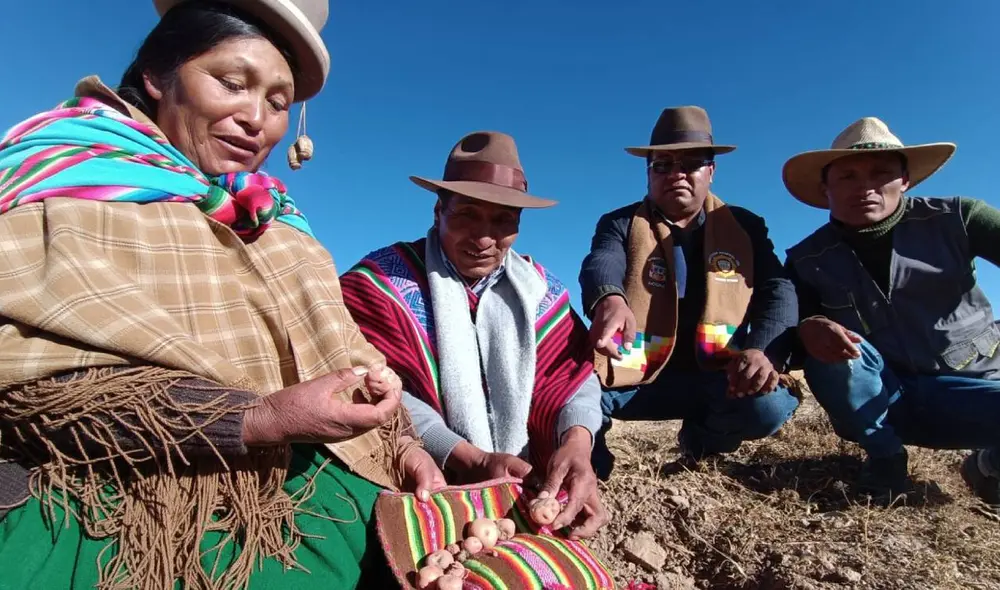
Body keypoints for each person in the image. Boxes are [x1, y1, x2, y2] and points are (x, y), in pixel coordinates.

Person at [0, 2, 445, 588]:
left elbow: (348, 358)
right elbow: (29, 378)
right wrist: (257, 418)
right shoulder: (63, 182)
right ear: (159, 75)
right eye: (232, 84)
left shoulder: (276, 221)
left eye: (279, 103)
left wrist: (406, 447)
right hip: (123, 512)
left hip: (311, 504)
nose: (256, 118)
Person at [339, 131, 610, 540]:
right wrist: (467, 456)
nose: (484, 239)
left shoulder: (540, 291)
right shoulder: (382, 284)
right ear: (438, 212)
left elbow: (573, 376)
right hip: (417, 479)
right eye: (467, 214)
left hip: (524, 482)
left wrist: (577, 440)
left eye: (503, 221)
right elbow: (368, 381)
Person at [785, 116, 1000, 503]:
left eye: (881, 173)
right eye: (847, 176)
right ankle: (885, 458)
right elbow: (792, 325)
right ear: (825, 187)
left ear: (905, 180)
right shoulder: (805, 258)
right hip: (884, 396)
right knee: (829, 351)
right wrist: (810, 326)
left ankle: (988, 466)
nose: (865, 187)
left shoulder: (962, 218)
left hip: (975, 390)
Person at [582, 106, 800, 479]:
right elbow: (602, 262)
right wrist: (609, 297)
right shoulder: (619, 223)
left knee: (768, 407)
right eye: (662, 165)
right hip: (636, 377)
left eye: (691, 164)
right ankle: (591, 465)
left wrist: (761, 349)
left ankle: (704, 443)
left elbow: (777, 289)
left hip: (718, 375)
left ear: (711, 171)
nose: (676, 174)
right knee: (577, 395)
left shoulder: (745, 227)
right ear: (648, 172)